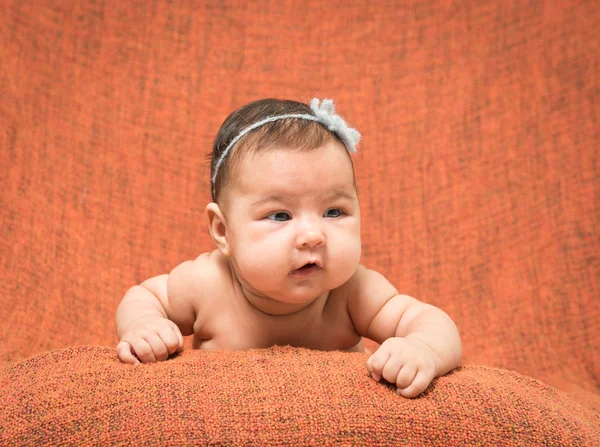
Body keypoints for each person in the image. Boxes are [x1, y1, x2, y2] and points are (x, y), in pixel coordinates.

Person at [115, 98, 462, 398]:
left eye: (334, 212)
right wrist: (144, 324)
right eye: (280, 215)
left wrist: (423, 349)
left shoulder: (352, 291)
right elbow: (145, 297)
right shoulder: (206, 283)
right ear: (222, 230)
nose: (313, 235)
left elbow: (431, 321)